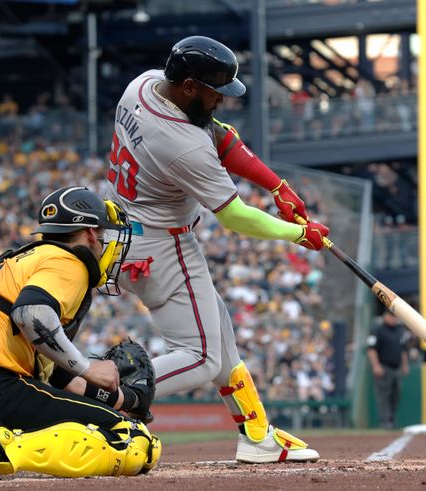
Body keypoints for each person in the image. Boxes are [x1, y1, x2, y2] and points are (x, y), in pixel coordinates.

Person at [103, 35, 328, 463]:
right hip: (162, 245)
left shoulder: (144, 84)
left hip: (135, 235)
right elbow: (235, 216)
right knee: (203, 357)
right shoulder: (179, 143)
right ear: (189, 85)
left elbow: (220, 137)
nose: (220, 100)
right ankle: (99, 396)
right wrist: (298, 234)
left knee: (220, 335)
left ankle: (256, 434)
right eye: (214, 91)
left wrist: (277, 185)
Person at [0, 186, 160, 477]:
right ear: (90, 233)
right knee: (133, 440)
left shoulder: (20, 263)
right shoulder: (69, 261)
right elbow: (30, 313)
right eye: (105, 235)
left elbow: (56, 377)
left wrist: (124, 400)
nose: (106, 244)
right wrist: (88, 368)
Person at [367, 312, 409, 429]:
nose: (393, 319)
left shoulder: (399, 330)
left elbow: (404, 349)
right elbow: (371, 349)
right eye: (391, 316)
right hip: (383, 367)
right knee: (383, 395)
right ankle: (385, 422)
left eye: (395, 316)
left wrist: (405, 364)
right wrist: (376, 365)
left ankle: (392, 419)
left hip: (396, 368)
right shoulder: (377, 330)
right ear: (385, 316)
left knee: (396, 394)